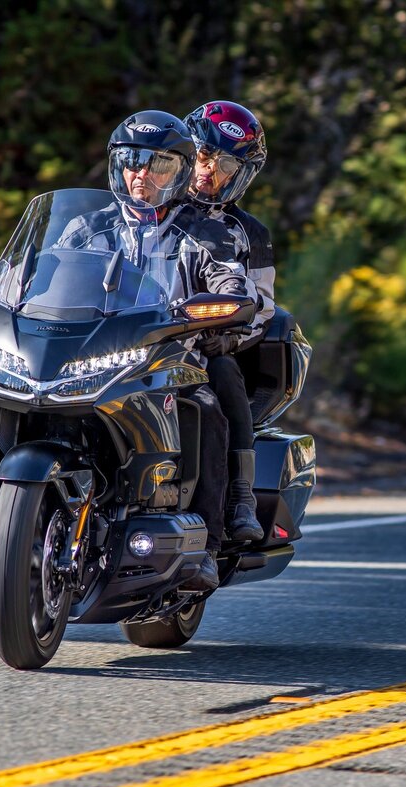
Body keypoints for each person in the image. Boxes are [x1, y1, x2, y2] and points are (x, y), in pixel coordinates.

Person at [62, 109, 257, 591]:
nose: (140, 174)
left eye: (158, 165)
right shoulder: (85, 229)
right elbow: (40, 282)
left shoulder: (212, 232)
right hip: (89, 360)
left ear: (181, 171)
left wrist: (228, 304)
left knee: (207, 406)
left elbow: (234, 284)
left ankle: (210, 541)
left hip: (171, 360)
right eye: (131, 161)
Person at [183, 100, 275, 548]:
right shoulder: (143, 210)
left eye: (226, 164)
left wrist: (228, 327)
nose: (208, 171)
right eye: (203, 156)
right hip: (132, 338)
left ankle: (239, 499)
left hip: (207, 343)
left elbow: (265, 307)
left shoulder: (249, 232)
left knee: (221, 374)